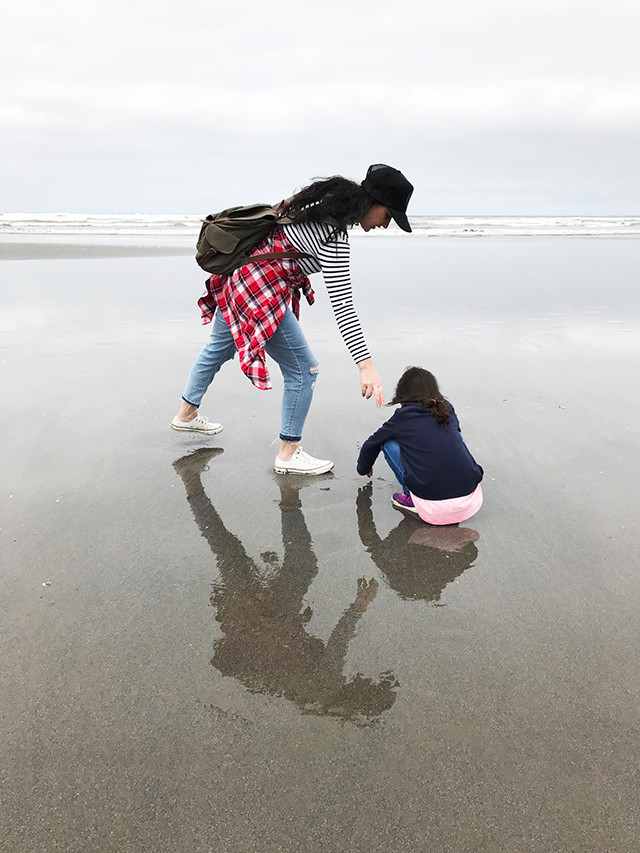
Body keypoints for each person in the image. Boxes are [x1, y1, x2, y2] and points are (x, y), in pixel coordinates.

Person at [171, 164, 414, 475]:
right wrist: (366, 366)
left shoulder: (316, 203)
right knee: (304, 370)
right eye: (389, 215)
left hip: (239, 277)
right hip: (261, 291)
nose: (387, 224)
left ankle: (186, 414)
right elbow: (343, 306)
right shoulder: (333, 236)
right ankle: (289, 452)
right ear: (373, 203)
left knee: (218, 346)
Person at [356, 367, 484, 525]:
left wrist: (363, 468)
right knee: (454, 435)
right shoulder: (446, 408)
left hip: (431, 508)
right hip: (470, 502)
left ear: (403, 395)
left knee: (387, 442)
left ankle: (410, 497)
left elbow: (371, 443)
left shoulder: (402, 416)